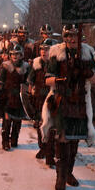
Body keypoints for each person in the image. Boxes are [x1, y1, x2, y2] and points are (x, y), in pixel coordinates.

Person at [41, 25, 95, 190]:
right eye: (69, 35)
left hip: (80, 102)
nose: (73, 39)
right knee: (63, 139)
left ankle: (69, 172)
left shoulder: (87, 52)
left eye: (75, 35)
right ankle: (60, 176)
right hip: (62, 101)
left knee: (74, 141)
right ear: (65, 37)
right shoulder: (56, 53)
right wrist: (59, 80)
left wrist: (86, 72)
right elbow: (47, 79)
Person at [0, 44, 30, 151]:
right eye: (13, 54)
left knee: (17, 121)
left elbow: (28, 83)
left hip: (19, 98)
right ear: (10, 55)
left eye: (17, 54)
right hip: (7, 96)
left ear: (21, 55)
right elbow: (0, 81)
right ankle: (5, 141)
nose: (15, 56)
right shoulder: (5, 66)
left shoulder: (25, 67)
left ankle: (14, 139)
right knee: (7, 121)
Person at [27, 39, 55, 167]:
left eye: (47, 49)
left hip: (52, 98)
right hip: (39, 98)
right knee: (40, 124)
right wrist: (31, 89)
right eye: (42, 49)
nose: (44, 52)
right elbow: (31, 80)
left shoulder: (56, 63)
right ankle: (42, 148)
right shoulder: (36, 63)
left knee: (50, 126)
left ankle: (50, 152)